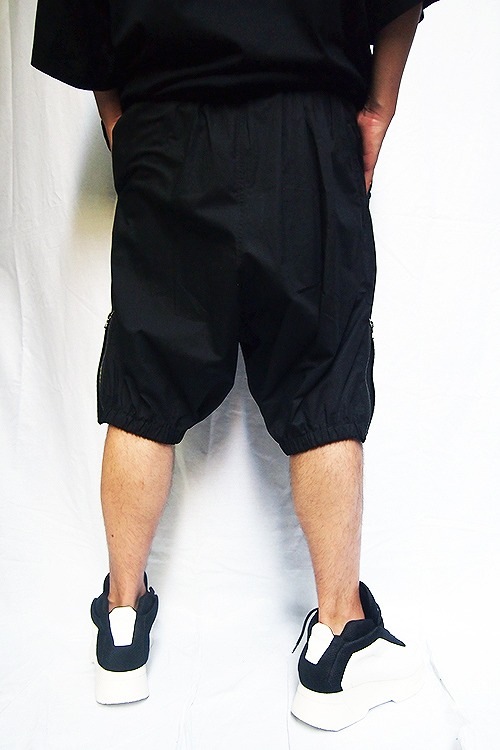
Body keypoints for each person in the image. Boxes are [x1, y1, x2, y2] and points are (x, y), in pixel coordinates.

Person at [31, 0, 439, 731]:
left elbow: (81, 25)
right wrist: (376, 111)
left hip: (166, 130)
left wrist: (124, 122)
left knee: (147, 383)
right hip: (305, 131)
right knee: (321, 376)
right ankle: (338, 639)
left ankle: (121, 623)